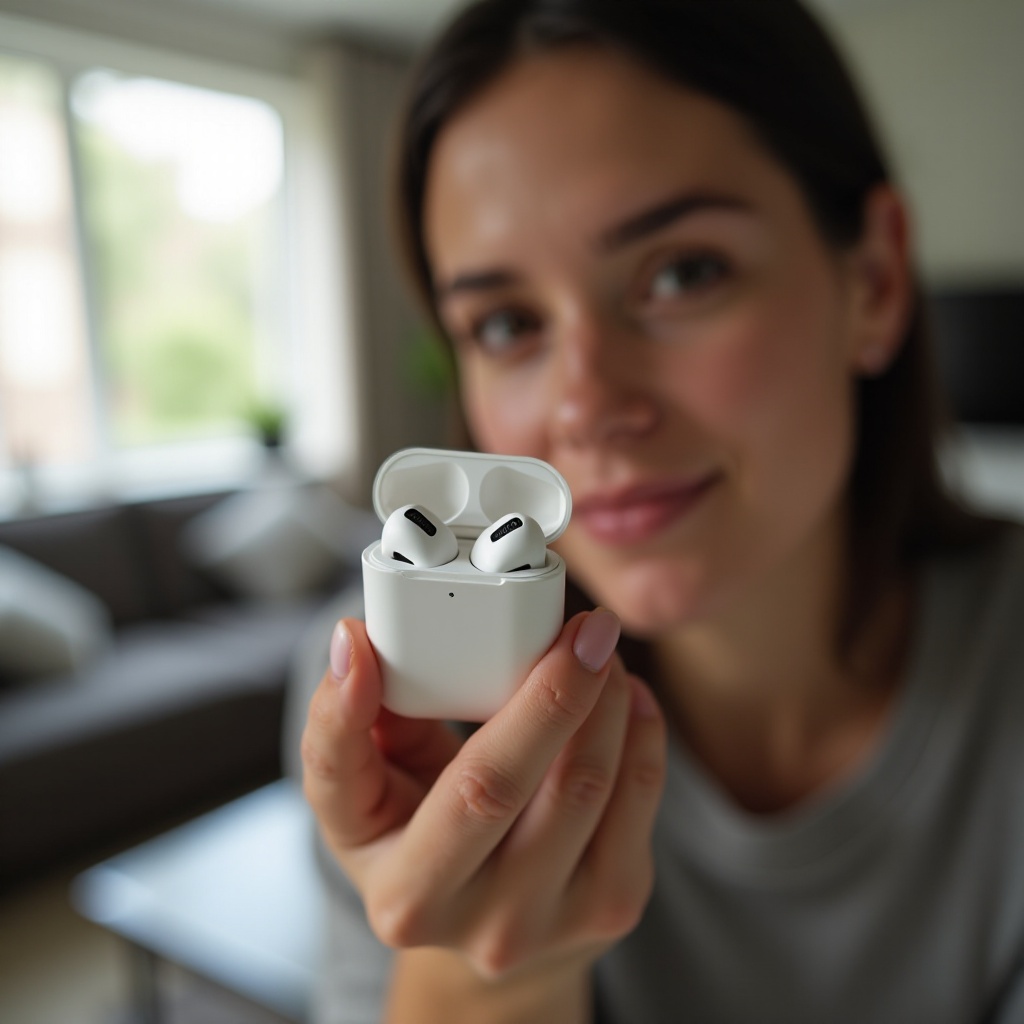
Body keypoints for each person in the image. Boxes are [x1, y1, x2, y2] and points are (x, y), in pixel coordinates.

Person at [298, 1, 1024, 1021]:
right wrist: (487, 984)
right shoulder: (395, 705)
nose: (586, 407)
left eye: (682, 272)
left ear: (872, 280)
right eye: (507, 323)